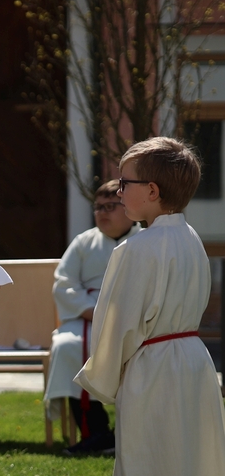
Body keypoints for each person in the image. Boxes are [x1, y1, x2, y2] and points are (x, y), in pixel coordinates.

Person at [75, 137, 225, 476]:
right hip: (193, 362)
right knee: (188, 463)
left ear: (153, 191)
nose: (119, 191)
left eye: (126, 183)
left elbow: (116, 324)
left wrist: (105, 374)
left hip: (153, 367)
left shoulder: (135, 249)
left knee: (153, 466)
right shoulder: (192, 239)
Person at [43, 179, 138, 456]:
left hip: (129, 320)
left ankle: (129, 433)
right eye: (98, 207)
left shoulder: (144, 240)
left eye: (110, 206)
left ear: (128, 207)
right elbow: (64, 284)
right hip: (86, 316)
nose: (102, 213)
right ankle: (94, 433)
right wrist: (92, 311)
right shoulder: (83, 242)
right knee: (67, 347)